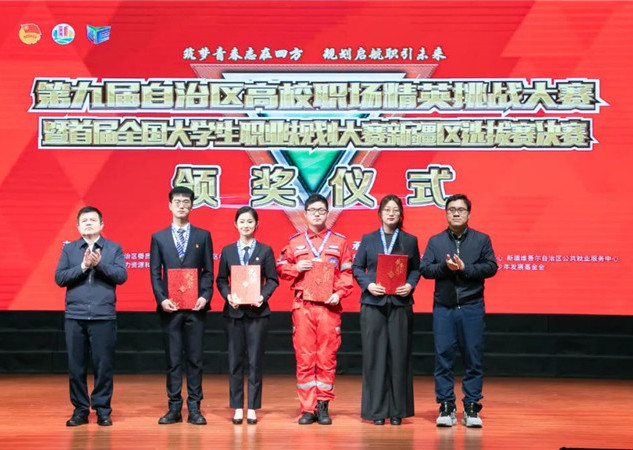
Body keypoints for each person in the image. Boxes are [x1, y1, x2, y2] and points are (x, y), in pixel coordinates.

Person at [420, 194, 497, 428]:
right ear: (446, 213)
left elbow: (491, 267)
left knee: (473, 358)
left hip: (472, 307)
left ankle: (472, 406)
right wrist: (445, 267)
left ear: (469, 214)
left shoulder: (482, 239)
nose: (456, 213)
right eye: (451, 209)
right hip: (444, 308)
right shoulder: (436, 241)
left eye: (460, 210)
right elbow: (425, 269)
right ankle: (446, 405)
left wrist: (465, 268)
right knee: (443, 357)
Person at [276, 194, 354, 425]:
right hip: (303, 307)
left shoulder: (339, 242)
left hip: (329, 307)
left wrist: (338, 294)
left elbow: (347, 274)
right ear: (305, 214)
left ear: (327, 213)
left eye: (321, 210)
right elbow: (280, 267)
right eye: (313, 210)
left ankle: (323, 405)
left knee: (327, 357)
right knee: (305, 357)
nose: (317, 214)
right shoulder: (295, 242)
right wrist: (296, 267)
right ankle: (307, 409)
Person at [55, 206, 127, 427]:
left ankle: (103, 410)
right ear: (78, 226)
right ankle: (80, 410)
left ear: (101, 224)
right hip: (75, 315)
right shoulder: (70, 250)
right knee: (76, 366)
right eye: (84, 220)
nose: (88, 223)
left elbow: (121, 276)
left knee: (103, 366)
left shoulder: (113, 248)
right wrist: (84, 266)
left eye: (92, 220)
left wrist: (99, 264)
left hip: (103, 316)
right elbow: (60, 278)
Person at [352, 195, 420, 426]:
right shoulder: (368, 239)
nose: (391, 213)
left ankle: (398, 411)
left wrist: (410, 285)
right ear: (379, 213)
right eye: (387, 209)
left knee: (399, 356)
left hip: (400, 303)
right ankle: (377, 411)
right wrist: (368, 285)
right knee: (375, 357)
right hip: (374, 303)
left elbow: (416, 269)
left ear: (401, 214)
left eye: (395, 210)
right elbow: (357, 267)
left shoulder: (409, 240)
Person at [149, 186, 214, 425]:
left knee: (195, 359)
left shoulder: (202, 236)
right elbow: (155, 272)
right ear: (170, 205)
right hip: (171, 308)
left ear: (192, 205)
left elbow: (208, 271)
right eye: (177, 201)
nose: (181, 205)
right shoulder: (159, 237)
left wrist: (205, 296)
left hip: (196, 308)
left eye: (186, 201)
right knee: (173, 359)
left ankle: (195, 408)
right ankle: (174, 407)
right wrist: (161, 298)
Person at [216, 206, 279, 425]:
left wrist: (263, 296)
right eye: (242, 221)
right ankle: (237, 407)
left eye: (250, 222)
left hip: (258, 313)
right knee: (235, 361)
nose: (246, 225)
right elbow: (221, 279)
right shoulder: (227, 251)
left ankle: (252, 406)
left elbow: (273, 279)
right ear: (235, 224)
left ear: (256, 225)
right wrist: (228, 295)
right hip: (234, 313)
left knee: (255, 361)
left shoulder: (265, 250)